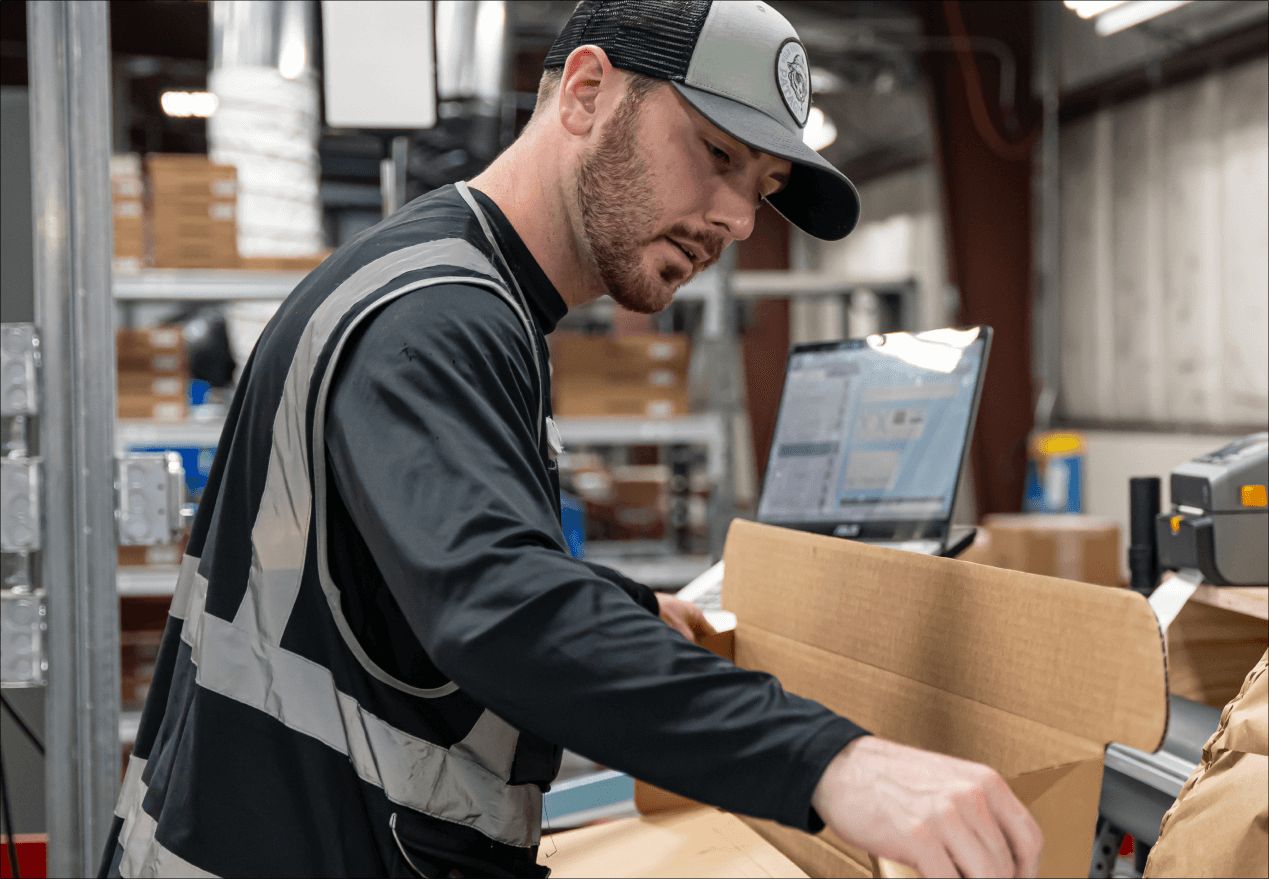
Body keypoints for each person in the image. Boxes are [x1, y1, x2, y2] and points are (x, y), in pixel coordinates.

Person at [100, 2, 1043, 877]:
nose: (736, 221)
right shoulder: (436, 316)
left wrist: (615, 603)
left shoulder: (459, 290)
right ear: (587, 93)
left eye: (761, 190)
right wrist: (833, 762)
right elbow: (498, 607)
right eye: (717, 154)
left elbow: (387, 573)